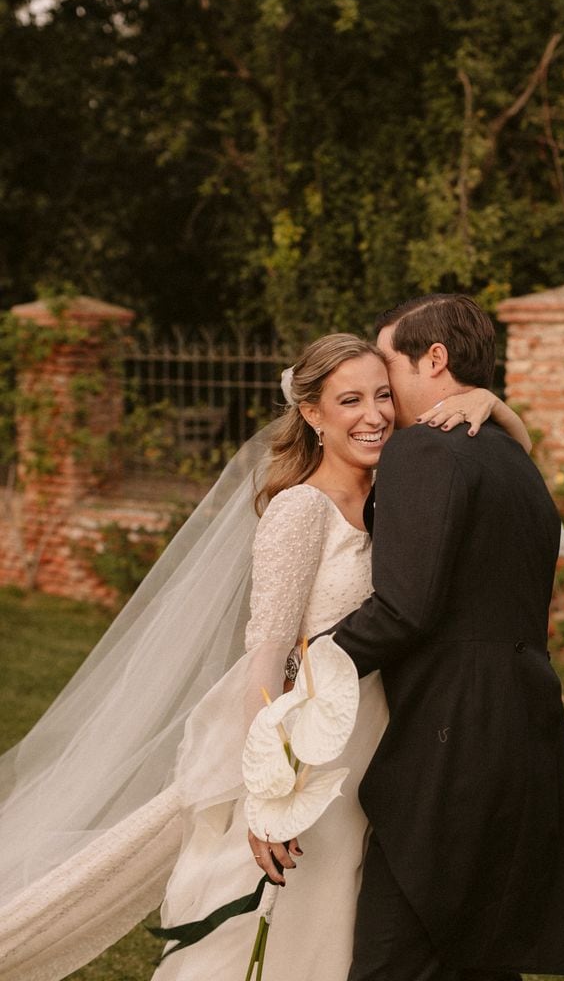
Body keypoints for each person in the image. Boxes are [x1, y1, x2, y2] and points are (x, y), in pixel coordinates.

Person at [0, 331, 534, 981]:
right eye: (349, 400)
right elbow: (264, 656)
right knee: (277, 917)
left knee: (340, 918)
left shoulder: (396, 495)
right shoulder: (300, 510)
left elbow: (516, 463)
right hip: (307, 748)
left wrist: (488, 403)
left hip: (377, 744)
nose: (374, 415)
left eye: (383, 396)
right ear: (311, 413)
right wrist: (271, 789)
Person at [300, 295, 564, 981]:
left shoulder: (423, 448)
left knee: (396, 955)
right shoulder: (516, 459)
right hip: (525, 733)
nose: (384, 389)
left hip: (451, 741)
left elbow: (404, 607)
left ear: (433, 358)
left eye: (389, 364)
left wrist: (313, 662)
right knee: (479, 954)